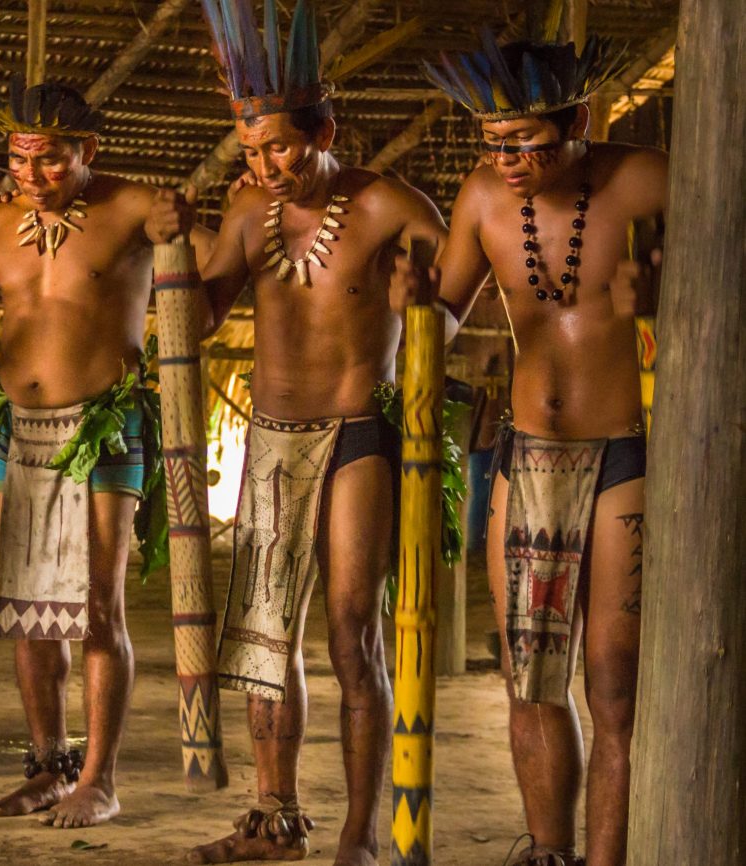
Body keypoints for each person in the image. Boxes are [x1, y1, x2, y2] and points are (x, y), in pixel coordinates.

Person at [150, 2, 448, 863]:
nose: (266, 165)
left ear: (325, 127)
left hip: (358, 430)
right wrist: (177, 250)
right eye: (251, 150)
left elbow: (458, 295)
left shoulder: (390, 203)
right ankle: (273, 817)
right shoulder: (249, 215)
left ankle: (360, 828)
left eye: (280, 145)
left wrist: (423, 302)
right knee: (261, 639)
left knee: (351, 630)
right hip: (274, 440)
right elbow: (201, 316)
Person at [0, 58, 206, 828]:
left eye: (50, 156)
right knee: (29, 611)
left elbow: (213, 262)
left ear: (88, 147)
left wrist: (176, 233)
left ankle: (101, 776)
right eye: (20, 157)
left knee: (95, 605)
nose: (32, 172)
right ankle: (50, 765)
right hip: (18, 431)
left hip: (104, 425)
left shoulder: (127, 207)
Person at [399, 24, 665, 866]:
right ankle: (549, 851)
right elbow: (439, 315)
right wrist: (417, 310)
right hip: (527, 458)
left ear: (578, 116)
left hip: (623, 454)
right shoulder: (481, 201)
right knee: (529, 675)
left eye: (527, 141)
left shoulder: (644, 181)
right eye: (495, 143)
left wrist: (662, 292)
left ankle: (607, 861)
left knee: (613, 684)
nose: (509, 160)